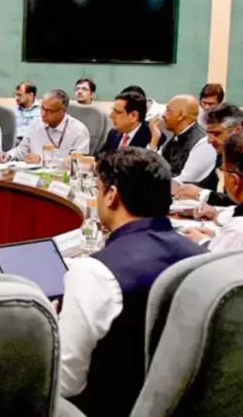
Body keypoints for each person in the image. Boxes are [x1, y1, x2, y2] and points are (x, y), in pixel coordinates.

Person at [59, 148, 205, 417]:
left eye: (98, 189)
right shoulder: (204, 260)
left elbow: (65, 382)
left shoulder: (95, 272)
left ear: (111, 195)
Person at [183, 131, 243, 251]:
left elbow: (214, 265)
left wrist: (203, 242)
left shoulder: (241, 229)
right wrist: (217, 239)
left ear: (234, 180)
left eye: (222, 171)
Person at [173, 103, 243, 205]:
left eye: (216, 134)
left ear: (237, 130)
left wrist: (201, 194)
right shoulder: (223, 154)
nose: (209, 140)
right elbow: (211, 184)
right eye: (208, 134)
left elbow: (242, 201)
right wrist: (184, 189)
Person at [0, 89, 90, 164]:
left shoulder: (79, 131)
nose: (43, 114)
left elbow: (77, 163)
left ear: (63, 111)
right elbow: (23, 149)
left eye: (50, 111)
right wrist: (9, 155)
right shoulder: (36, 124)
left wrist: (42, 161)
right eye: (42, 108)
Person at [150, 95, 215, 183]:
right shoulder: (173, 139)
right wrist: (155, 139)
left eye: (168, 110)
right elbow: (150, 166)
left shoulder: (203, 143)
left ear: (181, 115)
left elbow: (183, 182)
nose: (163, 115)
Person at [97, 91, 151, 156]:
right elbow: (101, 157)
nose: (111, 115)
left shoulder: (150, 137)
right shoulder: (114, 133)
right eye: (113, 110)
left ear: (134, 116)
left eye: (117, 112)